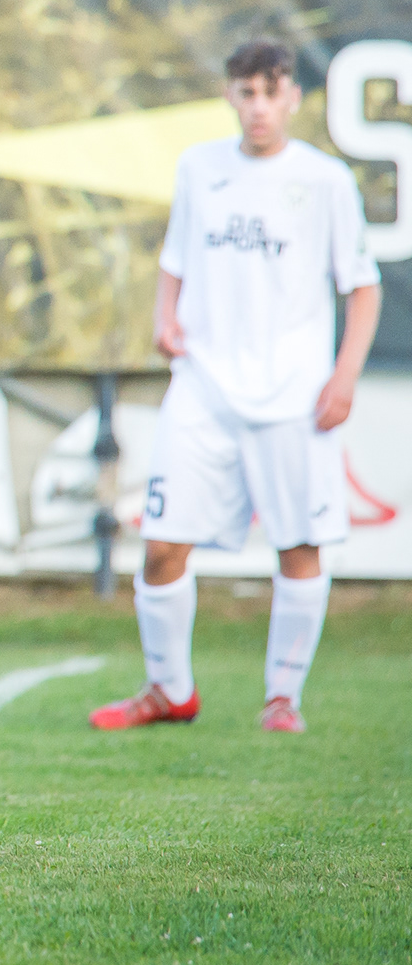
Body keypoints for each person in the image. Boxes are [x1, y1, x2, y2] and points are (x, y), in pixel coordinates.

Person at [90, 39, 382, 735]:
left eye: (271, 93)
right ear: (229, 95)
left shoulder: (324, 180)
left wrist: (343, 377)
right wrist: (164, 319)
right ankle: (170, 691)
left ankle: (283, 698)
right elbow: (176, 259)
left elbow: (362, 287)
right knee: (162, 545)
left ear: (293, 99)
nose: (258, 108)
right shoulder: (201, 167)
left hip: (293, 395)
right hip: (203, 388)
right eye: (246, 93)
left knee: (299, 546)